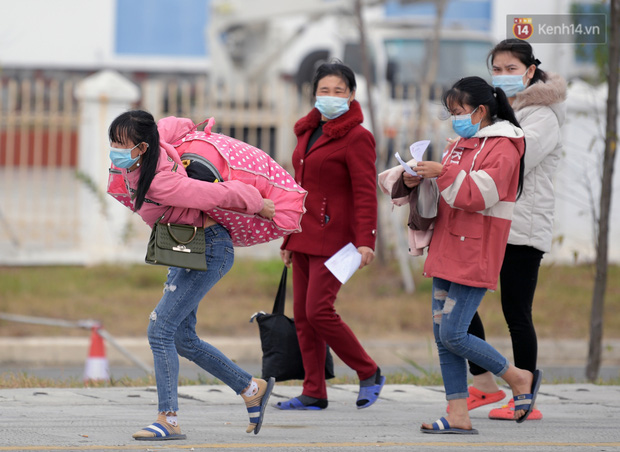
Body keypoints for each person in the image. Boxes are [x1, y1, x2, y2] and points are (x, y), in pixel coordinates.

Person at [108, 110, 276, 441]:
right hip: (184, 249)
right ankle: (250, 387)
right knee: (182, 338)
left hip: (209, 250)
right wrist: (195, 124)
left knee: (160, 330)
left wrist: (258, 203)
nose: (114, 149)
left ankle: (168, 419)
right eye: (112, 141)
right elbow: (170, 125)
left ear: (142, 148)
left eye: (120, 143)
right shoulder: (152, 148)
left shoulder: (161, 181)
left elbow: (219, 194)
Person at [405, 76, 542, 434]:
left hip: (475, 249)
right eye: (450, 112)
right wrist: (416, 177)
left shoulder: (506, 146)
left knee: (453, 332)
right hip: (448, 244)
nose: (454, 118)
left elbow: (481, 193)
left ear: (481, 110)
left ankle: (517, 376)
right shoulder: (464, 142)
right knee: (441, 334)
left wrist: (443, 171)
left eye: (458, 111)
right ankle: (458, 414)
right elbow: (449, 187)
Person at [463, 39, 567, 421]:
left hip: (523, 228)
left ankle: (525, 400)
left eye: (511, 69)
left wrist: (476, 141)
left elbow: (514, 158)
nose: (503, 76)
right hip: (490, 223)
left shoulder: (543, 115)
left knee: (516, 312)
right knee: (459, 303)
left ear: (529, 71)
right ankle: (484, 384)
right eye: (497, 68)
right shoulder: (496, 113)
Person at [277, 61, 385, 410]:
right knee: (304, 318)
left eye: (339, 91)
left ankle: (368, 371)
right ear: (314, 93)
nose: (331, 96)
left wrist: (367, 239)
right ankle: (314, 391)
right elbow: (297, 189)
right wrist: (288, 238)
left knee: (319, 311)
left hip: (339, 241)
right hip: (304, 235)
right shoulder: (307, 132)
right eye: (325, 90)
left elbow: (366, 192)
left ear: (352, 95)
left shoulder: (358, 137)